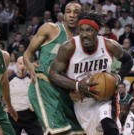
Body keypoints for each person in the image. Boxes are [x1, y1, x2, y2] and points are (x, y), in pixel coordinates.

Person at [49, 12, 134, 135]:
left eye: (88, 30)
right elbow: (53, 74)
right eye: (81, 30)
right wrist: (77, 85)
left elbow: (128, 61)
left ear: (96, 31)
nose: (84, 34)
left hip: (105, 98)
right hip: (80, 101)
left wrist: (118, 77)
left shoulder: (109, 45)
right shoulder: (69, 47)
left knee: (109, 127)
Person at [23, 1, 83, 135]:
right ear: (63, 14)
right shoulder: (51, 29)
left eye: (76, 12)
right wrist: (30, 66)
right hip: (45, 84)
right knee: (57, 132)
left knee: (78, 132)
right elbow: (27, 54)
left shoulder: (81, 42)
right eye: (68, 12)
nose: (72, 15)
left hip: (65, 92)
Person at [9, 56, 43, 135]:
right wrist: (6, 106)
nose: (22, 66)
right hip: (14, 115)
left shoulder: (33, 79)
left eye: (24, 64)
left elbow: (40, 95)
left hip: (30, 115)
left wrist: (35, 104)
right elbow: (2, 95)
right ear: (16, 65)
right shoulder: (9, 80)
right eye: (20, 64)